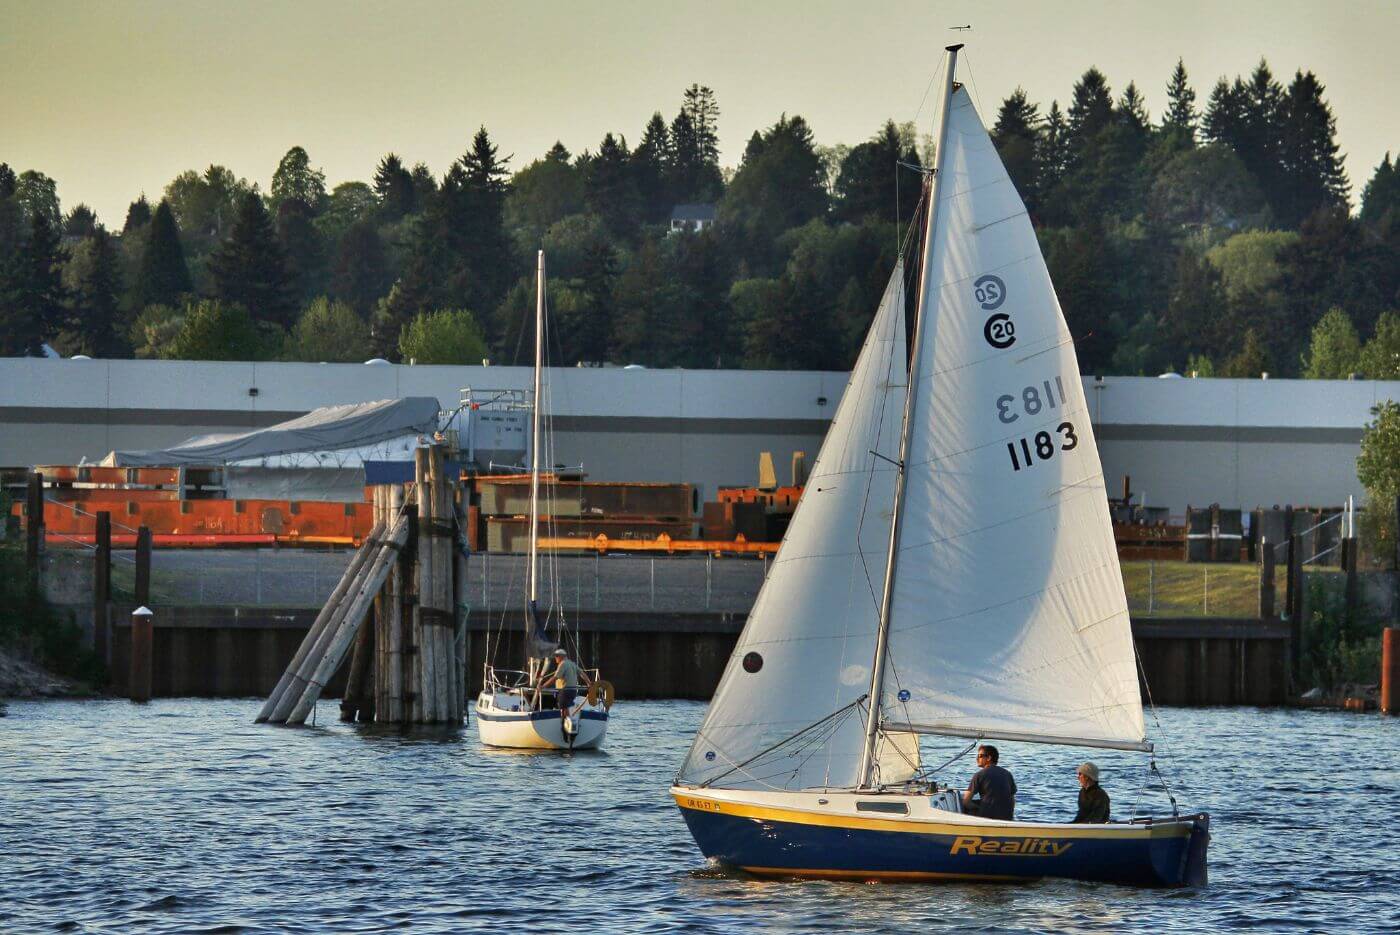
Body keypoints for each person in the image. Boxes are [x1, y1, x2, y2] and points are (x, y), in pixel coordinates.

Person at [536, 647, 593, 734]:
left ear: (561, 656)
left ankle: (565, 725)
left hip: (565, 691)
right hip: (573, 691)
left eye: (556, 656)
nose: (555, 658)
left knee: (563, 708)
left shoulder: (562, 664)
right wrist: (589, 683)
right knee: (565, 707)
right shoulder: (572, 663)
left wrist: (543, 686)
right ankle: (568, 723)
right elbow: (582, 673)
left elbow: (555, 677)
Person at [963, 745, 1016, 820]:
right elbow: (1012, 801)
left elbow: (966, 801)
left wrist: (977, 807)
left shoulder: (980, 775)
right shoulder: (1007, 774)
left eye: (980, 756)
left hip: (988, 818)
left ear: (988, 758)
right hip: (1007, 818)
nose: (977, 759)